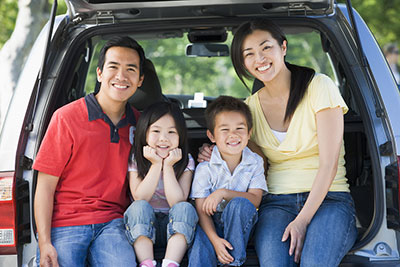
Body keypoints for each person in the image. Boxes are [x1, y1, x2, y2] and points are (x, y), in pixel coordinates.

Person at [198, 19, 358, 266]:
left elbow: (329, 163)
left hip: (330, 199)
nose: (259, 58)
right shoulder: (249, 109)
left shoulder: (319, 86)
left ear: (283, 47)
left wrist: (302, 220)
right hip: (276, 204)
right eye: (249, 54)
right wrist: (212, 152)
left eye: (265, 48)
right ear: (243, 63)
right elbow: (249, 160)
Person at [33, 36, 145, 267]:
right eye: (113, 67)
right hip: (65, 222)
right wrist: (44, 242)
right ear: (100, 73)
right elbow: (44, 186)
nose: (121, 76)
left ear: (140, 80)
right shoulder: (66, 118)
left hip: (114, 223)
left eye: (130, 69)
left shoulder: (142, 125)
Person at [188, 95, 268, 266]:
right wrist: (215, 240)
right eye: (225, 130)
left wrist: (223, 193)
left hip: (242, 223)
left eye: (240, 128)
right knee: (199, 243)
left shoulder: (254, 162)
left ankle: (232, 262)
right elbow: (201, 210)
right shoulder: (205, 167)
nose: (233, 135)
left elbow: (255, 199)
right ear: (212, 136)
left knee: (239, 204)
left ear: (249, 133)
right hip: (210, 223)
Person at [124, 101, 198, 267]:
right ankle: (146, 263)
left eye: (172, 132)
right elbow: (140, 197)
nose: (164, 138)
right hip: (142, 227)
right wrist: (156, 165)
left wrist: (169, 166)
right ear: (144, 133)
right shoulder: (137, 158)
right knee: (139, 207)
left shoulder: (186, 161)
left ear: (180, 137)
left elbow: (177, 202)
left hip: (174, 227)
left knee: (185, 209)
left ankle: (171, 263)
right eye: (156, 131)